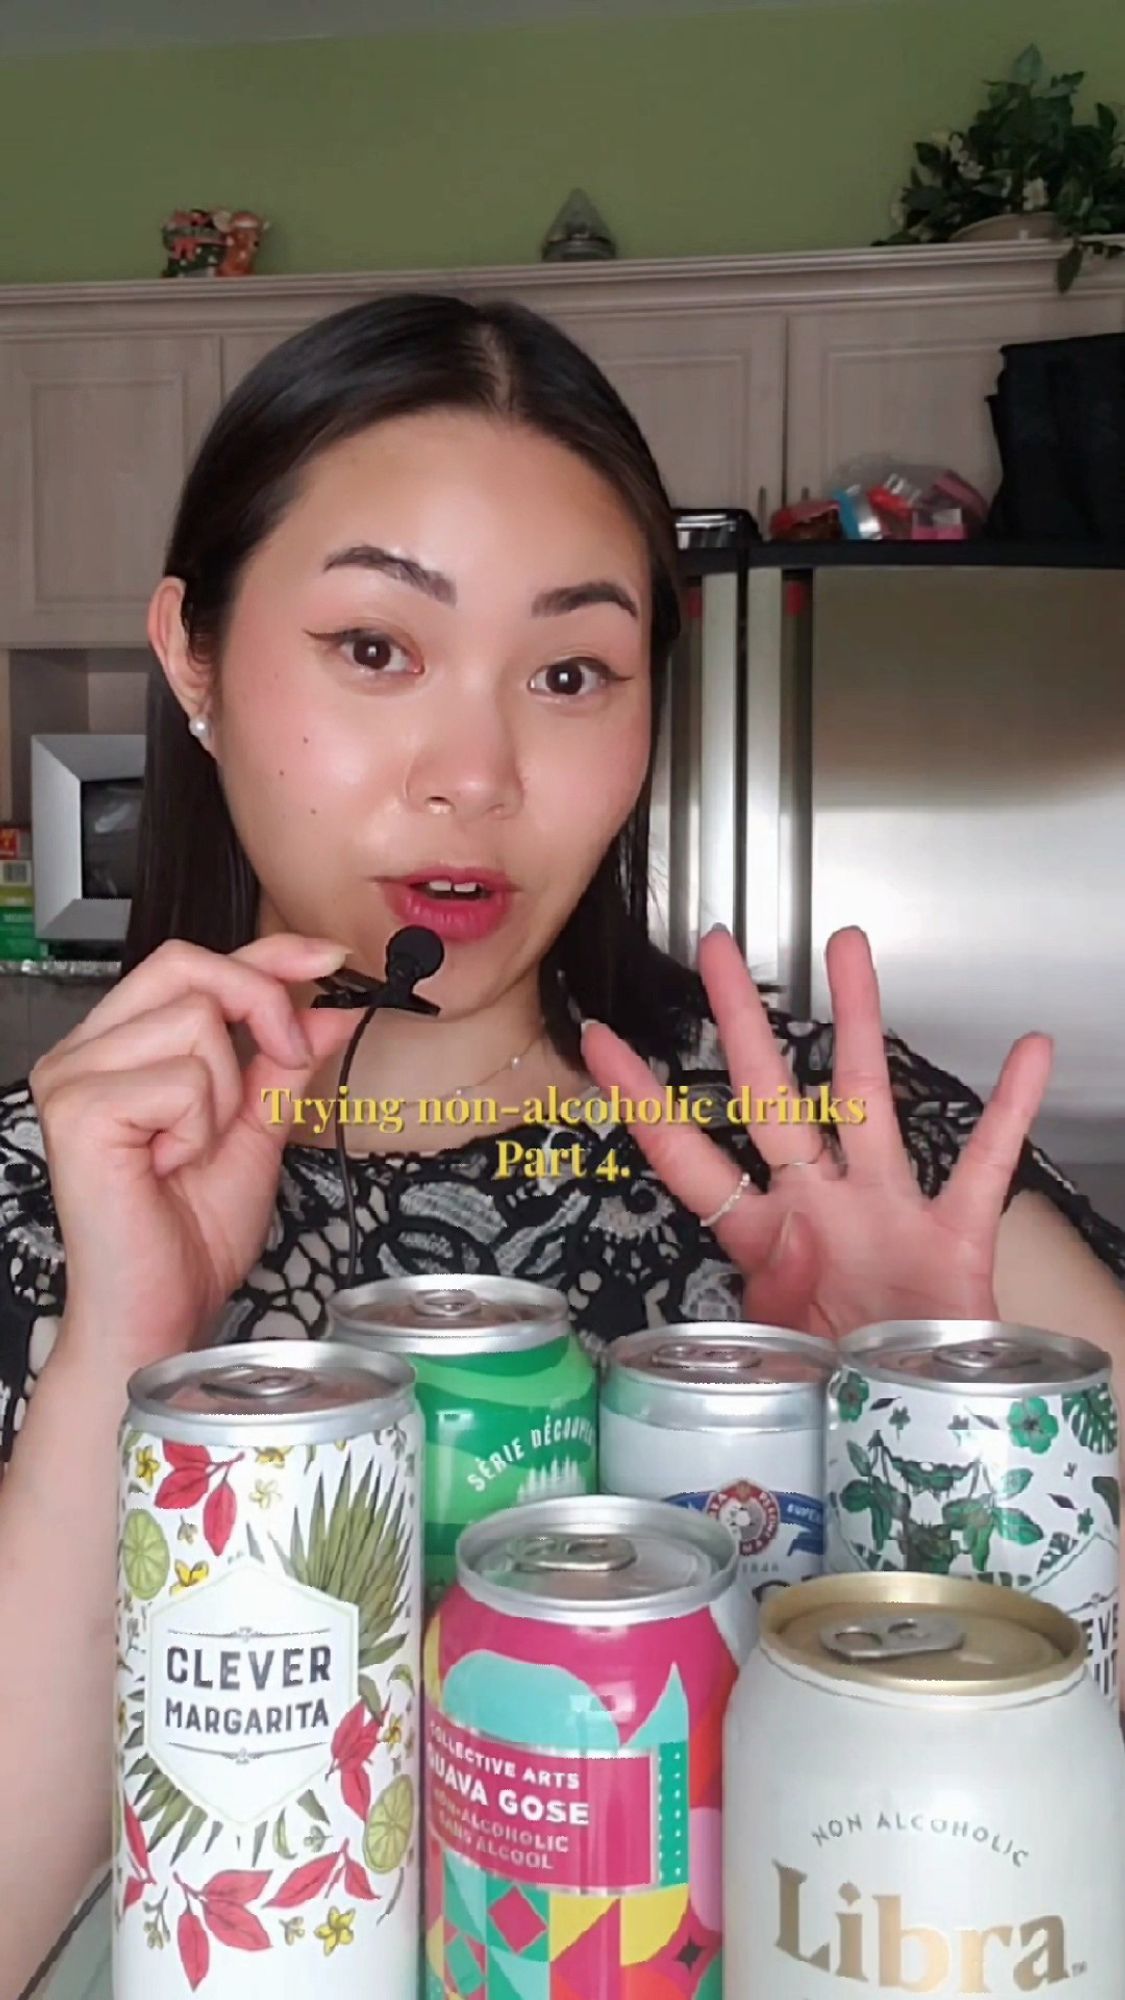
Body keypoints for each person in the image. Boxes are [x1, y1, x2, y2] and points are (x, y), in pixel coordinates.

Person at [1, 292, 1124, 1993]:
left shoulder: (835, 1143)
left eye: (572, 671)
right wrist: (126, 1363)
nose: (477, 772)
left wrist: (942, 1418)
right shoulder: (36, 1196)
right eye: (376, 648)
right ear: (195, 655)